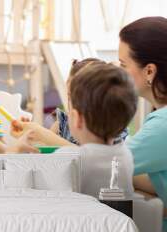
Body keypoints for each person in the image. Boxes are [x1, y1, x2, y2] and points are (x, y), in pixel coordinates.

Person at [16, 63, 138, 198]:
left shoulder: (68, 157)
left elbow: (29, 185)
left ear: (77, 118)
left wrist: (15, 150)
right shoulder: (125, 156)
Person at [119, 16, 167, 231]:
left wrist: (44, 137)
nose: (119, 72)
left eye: (123, 65)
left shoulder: (162, 126)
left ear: (149, 71)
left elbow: (98, 164)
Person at [50, 58, 128, 145]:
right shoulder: (62, 124)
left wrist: (45, 135)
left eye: (78, 97)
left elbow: (91, 155)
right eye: (69, 96)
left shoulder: (113, 131)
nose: (72, 104)